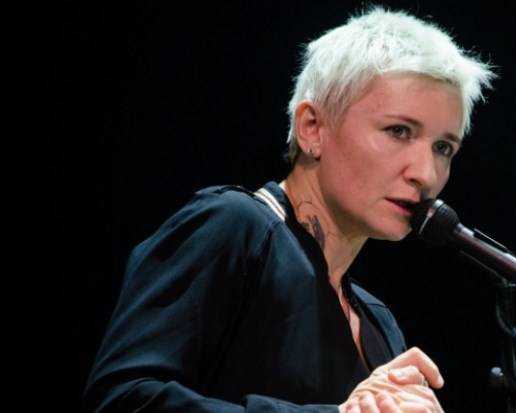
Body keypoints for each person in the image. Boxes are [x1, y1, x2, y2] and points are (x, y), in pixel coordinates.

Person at [83, 6, 495, 413]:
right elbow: (121, 400)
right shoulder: (234, 226)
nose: (425, 173)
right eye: (399, 131)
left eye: (444, 148)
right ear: (312, 128)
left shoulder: (379, 325)